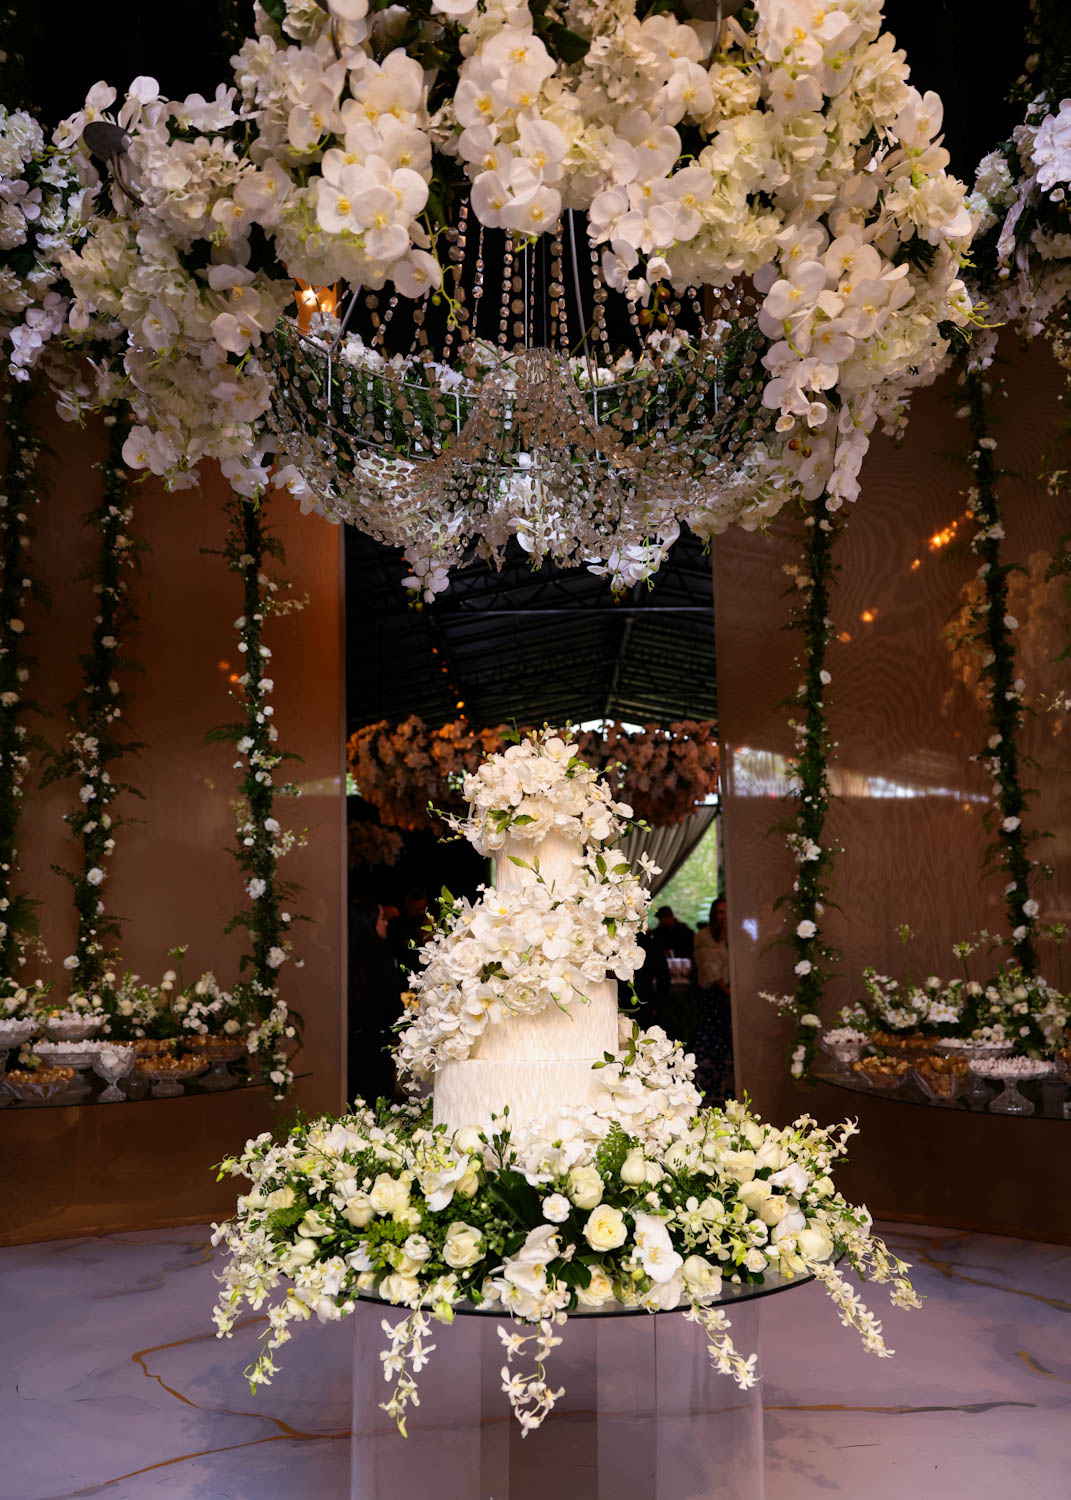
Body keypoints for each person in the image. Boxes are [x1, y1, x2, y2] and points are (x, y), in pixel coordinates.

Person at [348, 896, 404, 1107]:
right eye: (382, 918)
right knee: (378, 1102)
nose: (386, 922)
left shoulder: (349, 953)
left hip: (353, 1042)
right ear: (369, 921)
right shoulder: (380, 955)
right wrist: (402, 1028)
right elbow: (389, 998)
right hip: (376, 1041)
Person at [692, 896, 733, 1103]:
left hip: (734, 994)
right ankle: (708, 1092)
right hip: (715, 996)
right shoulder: (703, 937)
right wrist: (726, 991)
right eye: (719, 912)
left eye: (726, 911)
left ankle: (730, 1091)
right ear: (713, 915)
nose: (723, 916)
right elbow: (709, 968)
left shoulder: (737, 935)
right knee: (712, 1045)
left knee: (730, 1045)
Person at [388, 887, 430, 966]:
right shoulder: (396, 924)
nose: (418, 913)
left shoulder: (428, 922)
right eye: (414, 909)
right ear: (407, 905)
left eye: (421, 909)